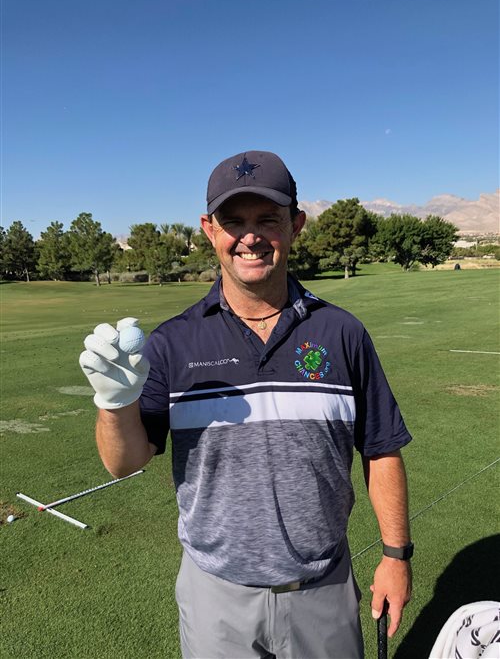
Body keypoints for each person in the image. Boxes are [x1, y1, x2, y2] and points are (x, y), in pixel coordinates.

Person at [80, 150, 413, 658]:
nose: (250, 237)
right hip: (216, 597)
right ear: (209, 230)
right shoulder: (173, 343)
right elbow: (122, 461)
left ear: (296, 225)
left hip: (322, 589)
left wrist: (396, 555)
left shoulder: (342, 333)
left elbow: (382, 448)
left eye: (267, 220)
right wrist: (114, 402)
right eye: (233, 221)